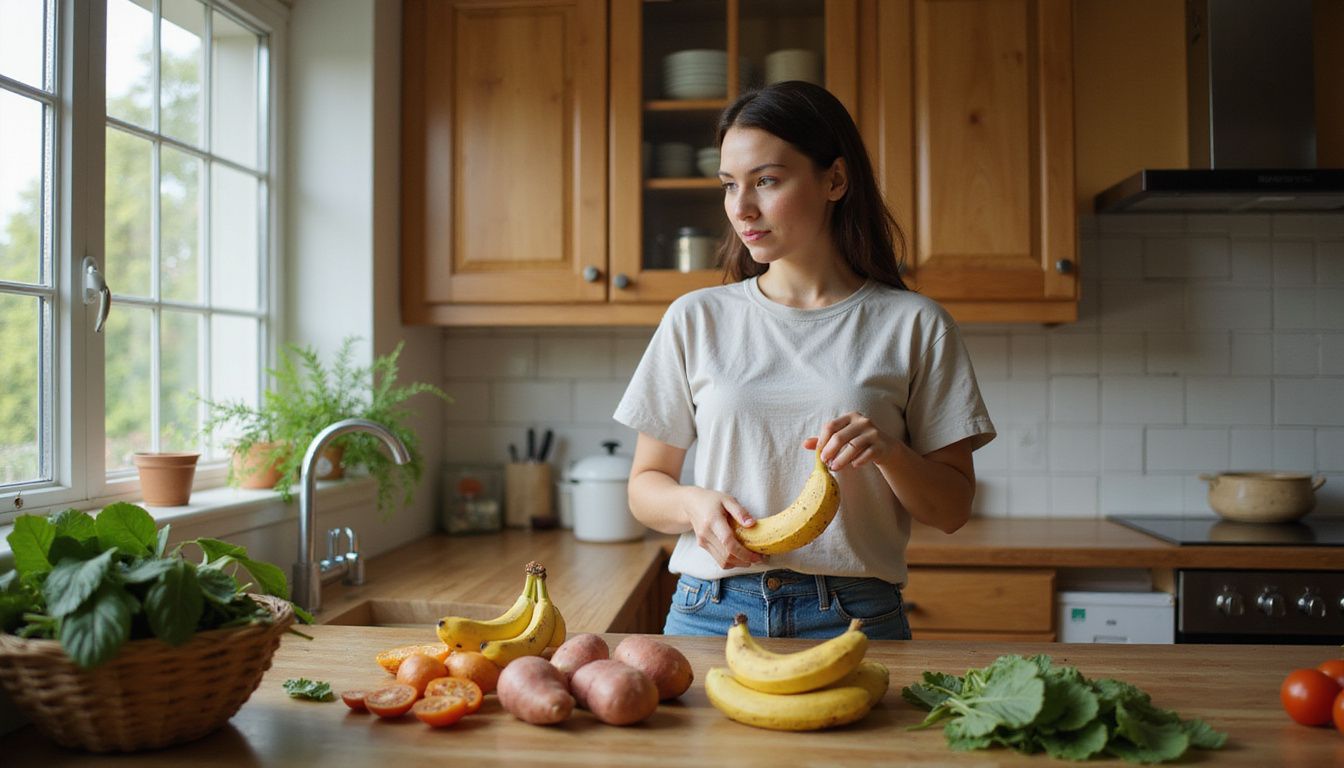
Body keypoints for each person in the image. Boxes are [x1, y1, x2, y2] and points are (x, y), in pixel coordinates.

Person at [613, 80, 996, 640]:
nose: (741, 208)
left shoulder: (915, 324)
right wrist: (694, 506)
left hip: (856, 614)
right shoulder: (696, 318)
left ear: (835, 179)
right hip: (709, 607)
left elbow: (952, 508)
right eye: (728, 185)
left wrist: (890, 452)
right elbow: (645, 486)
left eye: (766, 181)